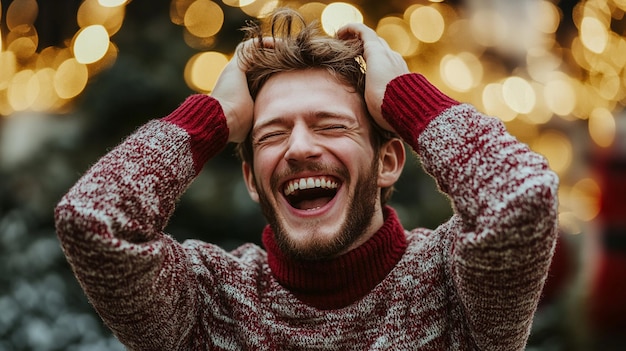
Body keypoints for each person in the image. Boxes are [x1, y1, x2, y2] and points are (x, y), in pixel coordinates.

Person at [54, 8, 559, 351]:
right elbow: (92, 221)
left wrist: (407, 98)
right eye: (273, 134)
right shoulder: (207, 305)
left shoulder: (455, 288)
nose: (299, 148)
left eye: (330, 126)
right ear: (252, 178)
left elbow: (522, 197)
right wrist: (214, 115)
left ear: (387, 162)